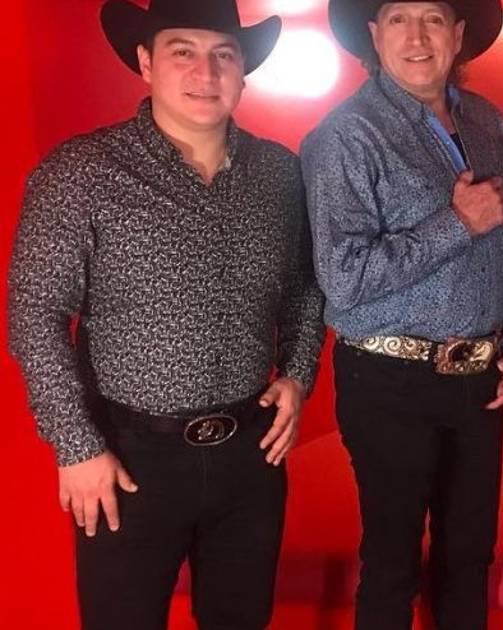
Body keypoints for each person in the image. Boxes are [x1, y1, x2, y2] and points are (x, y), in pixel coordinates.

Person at [7, 0, 326, 628]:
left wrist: (297, 375)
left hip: (250, 455)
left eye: (224, 54)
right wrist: (76, 447)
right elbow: (35, 314)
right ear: (147, 62)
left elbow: (303, 290)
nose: (206, 73)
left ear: (242, 71)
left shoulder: (279, 173)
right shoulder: (81, 172)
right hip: (126, 459)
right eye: (183, 51)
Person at [301, 1, 503, 627]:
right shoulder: (346, 135)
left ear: (458, 35)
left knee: (469, 556)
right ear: (375, 36)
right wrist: (456, 223)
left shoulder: (487, 120)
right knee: (393, 561)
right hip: (389, 380)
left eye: (432, 18)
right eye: (400, 19)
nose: (417, 36)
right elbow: (343, 279)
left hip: (479, 378)